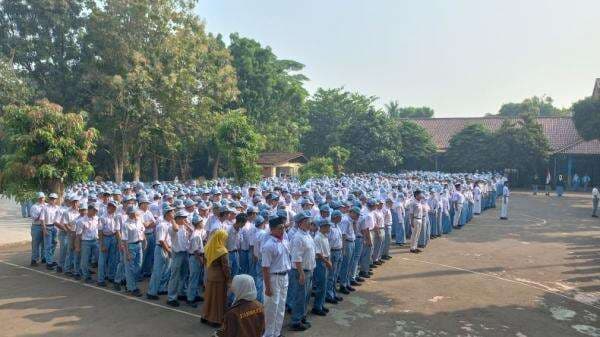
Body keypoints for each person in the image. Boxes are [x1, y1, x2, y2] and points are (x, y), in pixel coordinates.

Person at [261, 215, 290, 337]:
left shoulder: (284, 241)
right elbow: (265, 268)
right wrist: (268, 287)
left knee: (281, 308)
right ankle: (268, 334)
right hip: (273, 278)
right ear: (272, 230)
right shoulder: (269, 245)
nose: (282, 230)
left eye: (283, 227)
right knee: (271, 309)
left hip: (284, 277)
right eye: (279, 228)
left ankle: (276, 333)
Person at [289, 211, 315, 331]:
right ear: (300, 224)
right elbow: (296, 258)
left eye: (309, 220)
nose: (309, 222)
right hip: (301, 271)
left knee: (306, 296)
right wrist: (301, 273)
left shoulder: (307, 234)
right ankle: (296, 321)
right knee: (300, 296)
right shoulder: (298, 237)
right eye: (306, 221)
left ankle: (302, 316)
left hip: (309, 270)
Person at [202, 229, 231, 327]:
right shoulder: (222, 251)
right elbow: (226, 267)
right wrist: (228, 279)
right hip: (219, 278)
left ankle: (205, 316)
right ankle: (215, 319)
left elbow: (205, 262)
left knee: (209, 297)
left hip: (210, 275)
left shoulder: (208, 247)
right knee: (218, 299)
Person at [147, 203, 174, 300]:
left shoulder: (170, 224)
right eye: (171, 211)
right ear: (167, 213)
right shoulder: (162, 225)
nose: (173, 213)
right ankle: (151, 292)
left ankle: (161, 288)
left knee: (166, 271)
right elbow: (161, 240)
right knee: (157, 271)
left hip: (168, 248)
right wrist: (168, 250)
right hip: (161, 248)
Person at [121, 205, 146, 296]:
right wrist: (127, 253)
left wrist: (144, 240)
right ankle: (132, 288)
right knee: (130, 268)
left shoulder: (139, 221)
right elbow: (125, 240)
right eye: (136, 212)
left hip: (138, 245)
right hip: (130, 246)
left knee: (138, 266)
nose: (137, 214)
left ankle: (129, 284)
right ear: (131, 213)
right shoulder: (126, 224)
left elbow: (142, 231)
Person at [312, 219, 332, 316]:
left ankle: (321, 304)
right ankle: (317, 307)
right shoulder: (318, 238)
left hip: (325, 261)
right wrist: (327, 261)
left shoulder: (324, 236)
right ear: (323, 227)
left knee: (324, 285)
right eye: (328, 226)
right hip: (321, 262)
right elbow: (318, 253)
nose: (329, 228)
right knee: (321, 286)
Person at [186, 213, 205, 307]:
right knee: (193, 278)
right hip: (195, 258)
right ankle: (190, 298)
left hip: (198, 257)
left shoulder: (198, 232)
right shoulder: (195, 235)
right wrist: (201, 261)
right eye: (201, 221)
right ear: (198, 223)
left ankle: (195, 295)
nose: (203, 223)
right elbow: (196, 251)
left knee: (196, 278)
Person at [78, 203, 100, 283]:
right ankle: (86, 276)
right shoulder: (81, 221)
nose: (96, 212)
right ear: (89, 210)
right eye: (94, 210)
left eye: (96, 210)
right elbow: (78, 235)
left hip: (95, 241)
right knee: (85, 260)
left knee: (99, 258)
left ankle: (101, 275)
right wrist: (77, 246)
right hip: (86, 242)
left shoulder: (97, 218)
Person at [41, 193, 60, 270]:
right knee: (48, 245)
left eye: (54, 198)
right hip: (48, 227)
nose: (52, 200)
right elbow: (42, 219)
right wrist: (44, 229)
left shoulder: (57, 208)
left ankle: (49, 258)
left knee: (55, 243)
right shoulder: (45, 208)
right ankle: (49, 263)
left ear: (56, 200)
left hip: (55, 227)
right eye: (51, 198)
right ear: (49, 199)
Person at [30, 192, 46, 266]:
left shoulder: (47, 205)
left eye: (42, 197)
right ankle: (34, 260)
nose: (41, 199)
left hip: (45, 226)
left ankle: (44, 258)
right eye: (40, 198)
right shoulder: (34, 207)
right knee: (35, 244)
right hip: (37, 226)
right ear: (37, 198)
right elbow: (35, 218)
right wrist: (42, 212)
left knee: (44, 243)